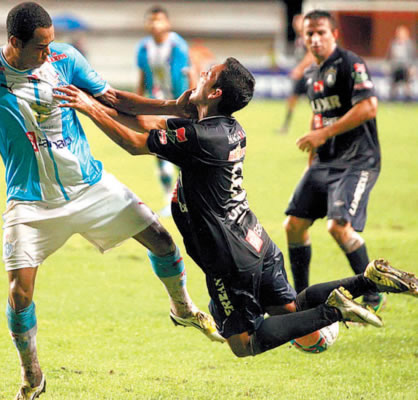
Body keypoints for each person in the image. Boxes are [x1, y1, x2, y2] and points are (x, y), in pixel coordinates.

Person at [0, 3, 219, 399]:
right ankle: (32, 375)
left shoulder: (65, 59)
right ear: (14, 42)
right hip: (31, 202)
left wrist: (173, 107)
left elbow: (114, 99)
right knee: (19, 293)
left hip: (89, 186)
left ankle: (182, 309)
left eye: (51, 44)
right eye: (40, 47)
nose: (48, 52)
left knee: (162, 241)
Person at [53, 57, 418, 359]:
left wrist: (88, 107)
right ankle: (369, 280)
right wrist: (107, 101)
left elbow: (136, 142)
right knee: (290, 310)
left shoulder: (198, 136)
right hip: (257, 242)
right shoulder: (226, 127)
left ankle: (334, 311)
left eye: (207, 74)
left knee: (244, 343)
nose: (201, 73)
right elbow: (146, 121)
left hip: (228, 257)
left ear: (214, 93)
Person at [283, 10, 385, 310]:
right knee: (293, 225)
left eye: (321, 33)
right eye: (309, 34)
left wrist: (324, 133)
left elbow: (369, 107)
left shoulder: (350, 63)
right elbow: (319, 116)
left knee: (337, 227)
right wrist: (312, 159)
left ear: (334, 34)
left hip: (358, 160)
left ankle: (372, 293)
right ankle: (302, 298)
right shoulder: (311, 74)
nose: (315, 39)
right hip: (324, 162)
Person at [136, 5, 193, 216]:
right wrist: (137, 106)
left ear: (167, 23)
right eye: (151, 20)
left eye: (159, 20)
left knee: (183, 153)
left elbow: (189, 75)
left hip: (178, 107)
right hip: (156, 106)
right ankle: (169, 200)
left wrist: (191, 106)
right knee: (159, 151)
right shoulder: (143, 47)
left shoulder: (178, 46)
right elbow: (142, 78)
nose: (155, 24)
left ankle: (189, 196)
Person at [278, 14, 315, 134]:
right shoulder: (299, 38)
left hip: (310, 74)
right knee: (292, 99)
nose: (296, 24)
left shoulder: (308, 36)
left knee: (316, 102)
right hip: (303, 75)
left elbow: (311, 55)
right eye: (295, 22)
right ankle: (285, 126)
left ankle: (318, 127)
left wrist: (299, 68)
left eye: (298, 22)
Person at [387, 25, 415, 101]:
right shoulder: (393, 43)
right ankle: (392, 99)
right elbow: (389, 56)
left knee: (407, 84)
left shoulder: (409, 44)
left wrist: (412, 67)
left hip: (406, 67)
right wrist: (388, 66)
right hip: (396, 67)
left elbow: (413, 57)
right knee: (393, 84)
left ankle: (408, 100)